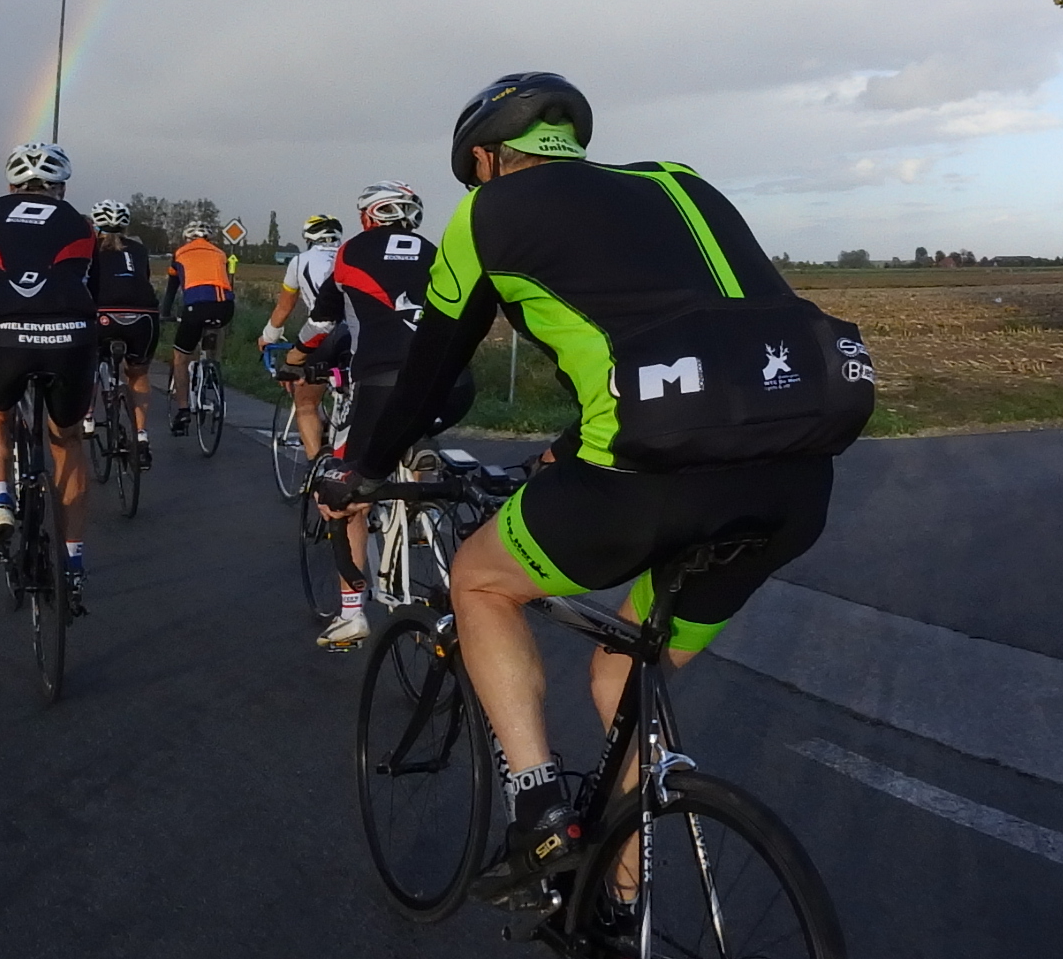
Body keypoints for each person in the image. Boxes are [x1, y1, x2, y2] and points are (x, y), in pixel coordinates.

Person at [317, 73, 871, 910]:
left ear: (484, 158)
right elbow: (690, 333)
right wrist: (564, 448)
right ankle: (622, 905)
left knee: (480, 581)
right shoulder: (681, 182)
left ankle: (539, 810)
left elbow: (430, 372)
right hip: (797, 480)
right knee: (623, 673)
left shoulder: (486, 213)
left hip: (643, 484)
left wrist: (360, 469)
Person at [284, 181, 474, 649]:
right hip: (456, 385)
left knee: (344, 490)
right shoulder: (434, 251)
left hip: (384, 385)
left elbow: (323, 323)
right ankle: (420, 469)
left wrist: (295, 356)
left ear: (367, 217)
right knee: (409, 434)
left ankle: (351, 613)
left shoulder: (350, 252)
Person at [0, 142, 98, 606]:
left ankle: (0, 501)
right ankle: (73, 563)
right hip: (71, 336)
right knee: (67, 440)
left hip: (3, 335)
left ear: (11, 185)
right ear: (61, 187)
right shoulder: (82, 224)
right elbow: (90, 291)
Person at [260, 214, 345, 460]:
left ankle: (318, 468)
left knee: (306, 401)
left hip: (322, 335)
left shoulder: (300, 262)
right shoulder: (351, 256)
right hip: (360, 335)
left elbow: (284, 307)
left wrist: (268, 336)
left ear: (309, 238)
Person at [86, 199, 159, 469]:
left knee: (88, 362)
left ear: (96, 225)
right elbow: (143, 280)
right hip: (144, 316)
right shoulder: (139, 249)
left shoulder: (89, 247)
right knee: (138, 374)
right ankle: (141, 436)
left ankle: (88, 417)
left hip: (103, 313)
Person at [159, 219, 235, 435]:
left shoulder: (180, 254)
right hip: (225, 308)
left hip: (196, 308)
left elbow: (171, 290)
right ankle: (212, 368)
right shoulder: (220, 254)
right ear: (209, 239)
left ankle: (183, 410)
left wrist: (165, 314)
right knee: (214, 327)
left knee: (180, 358)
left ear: (187, 238)